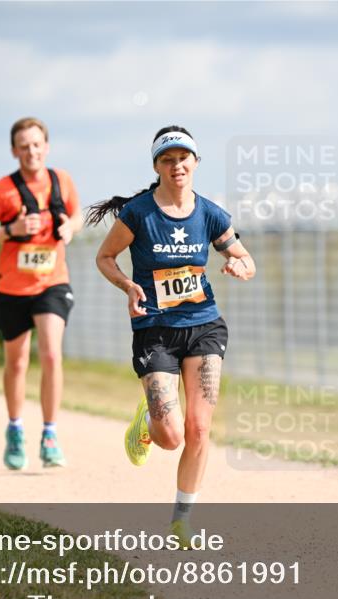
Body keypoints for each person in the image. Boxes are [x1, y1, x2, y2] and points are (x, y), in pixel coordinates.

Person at [91, 125, 255, 543]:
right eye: (167, 159)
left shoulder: (211, 214)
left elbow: (244, 257)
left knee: (199, 429)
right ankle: (149, 420)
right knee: (171, 436)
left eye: (183, 158)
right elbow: (105, 257)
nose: (176, 165)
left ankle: (183, 519)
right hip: (155, 330)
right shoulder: (139, 214)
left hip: (204, 326)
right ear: (156, 167)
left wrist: (240, 265)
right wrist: (129, 286)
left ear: (195, 162)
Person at [0, 117, 84, 470]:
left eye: (36, 144)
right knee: (17, 362)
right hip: (11, 287)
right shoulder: (3, 190)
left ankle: (50, 434)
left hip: (52, 282)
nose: (31, 151)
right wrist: (11, 229)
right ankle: (16, 428)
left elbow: (78, 216)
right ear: (14, 151)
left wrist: (70, 228)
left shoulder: (62, 180)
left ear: (46, 147)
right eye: (24, 146)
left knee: (50, 354)